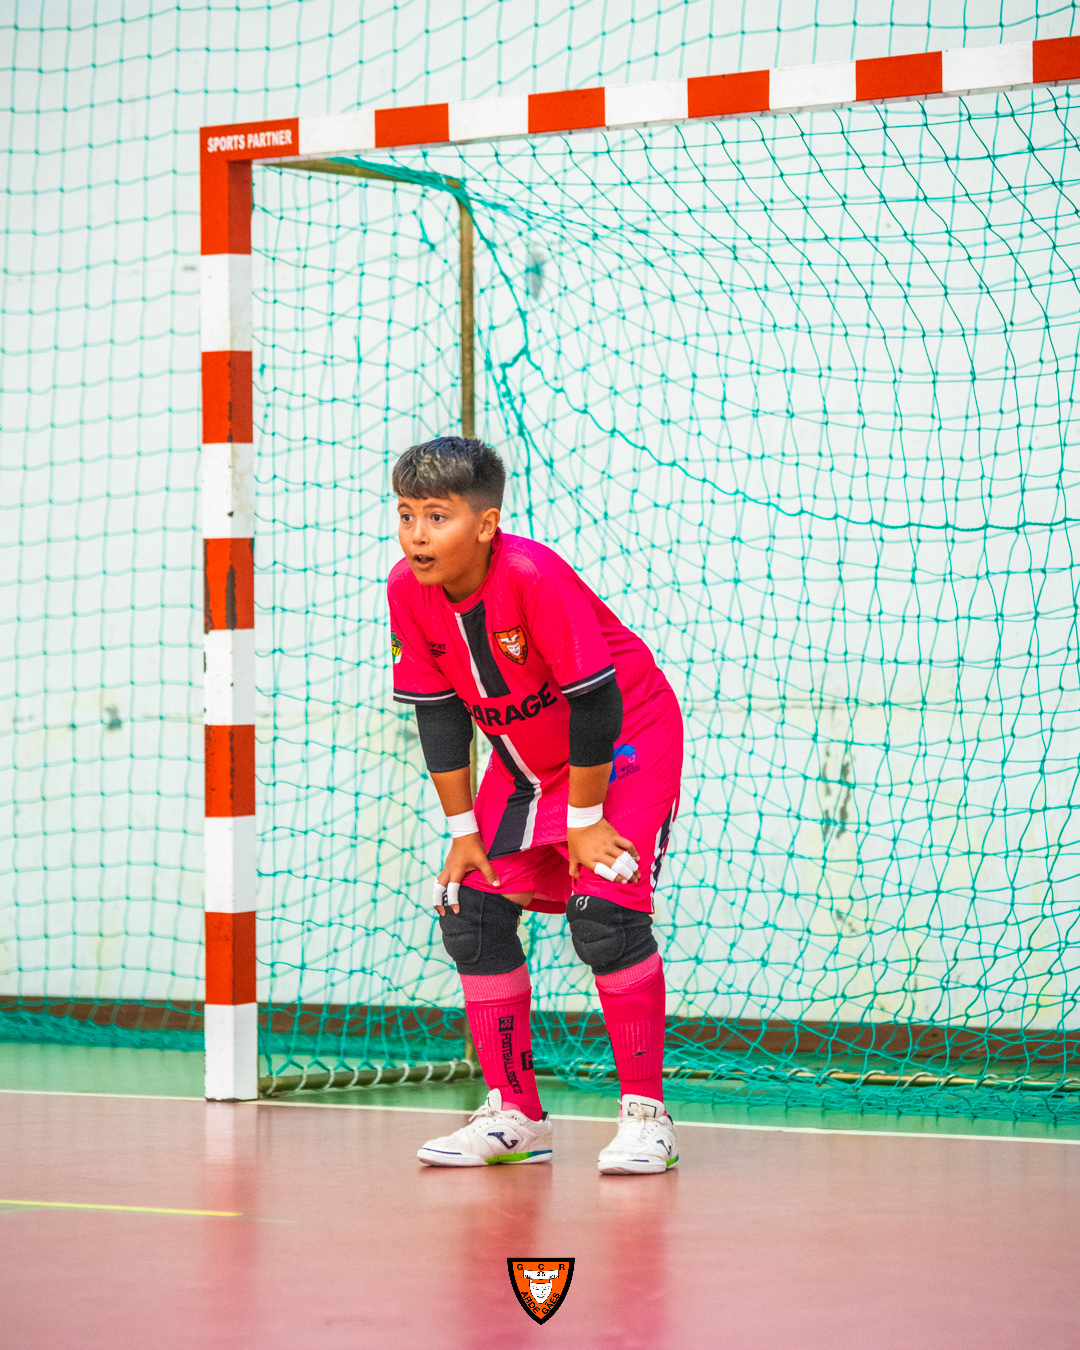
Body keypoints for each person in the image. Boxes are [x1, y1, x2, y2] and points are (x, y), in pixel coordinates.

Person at [387, 436, 683, 1175]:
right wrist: (462, 830)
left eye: (437, 517)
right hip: (524, 761)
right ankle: (515, 1115)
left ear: (486, 524)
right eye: (406, 515)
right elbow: (439, 714)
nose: (417, 535)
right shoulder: (406, 591)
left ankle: (647, 1118)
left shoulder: (532, 576)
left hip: (624, 741)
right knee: (469, 908)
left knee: (605, 914)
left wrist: (585, 821)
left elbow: (596, 701)